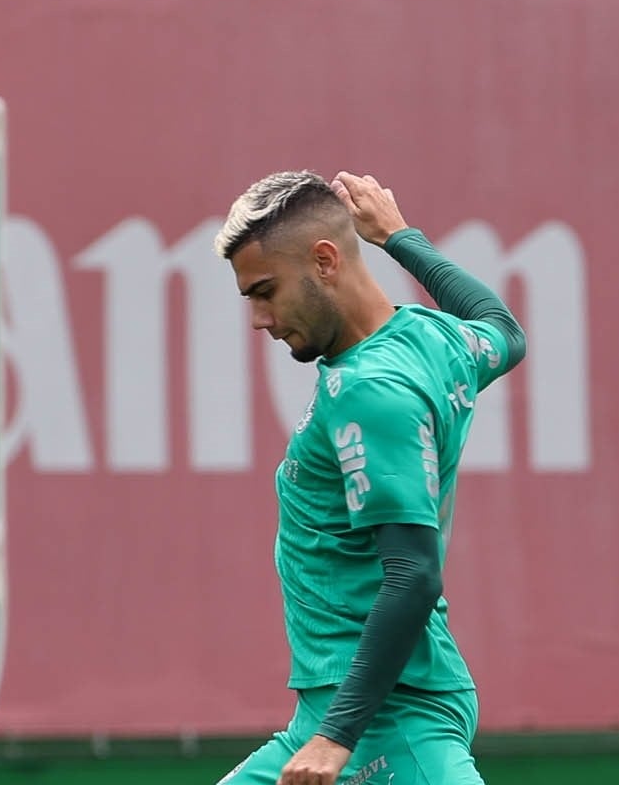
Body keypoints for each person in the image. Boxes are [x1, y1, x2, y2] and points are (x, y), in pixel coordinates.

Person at [212, 169, 526, 785]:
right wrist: (402, 237)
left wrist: (337, 738)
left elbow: (413, 574)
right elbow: (504, 331)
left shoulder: (371, 391)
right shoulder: (431, 339)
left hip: (387, 721)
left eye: (266, 290)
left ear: (325, 259)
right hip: (331, 715)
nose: (257, 317)